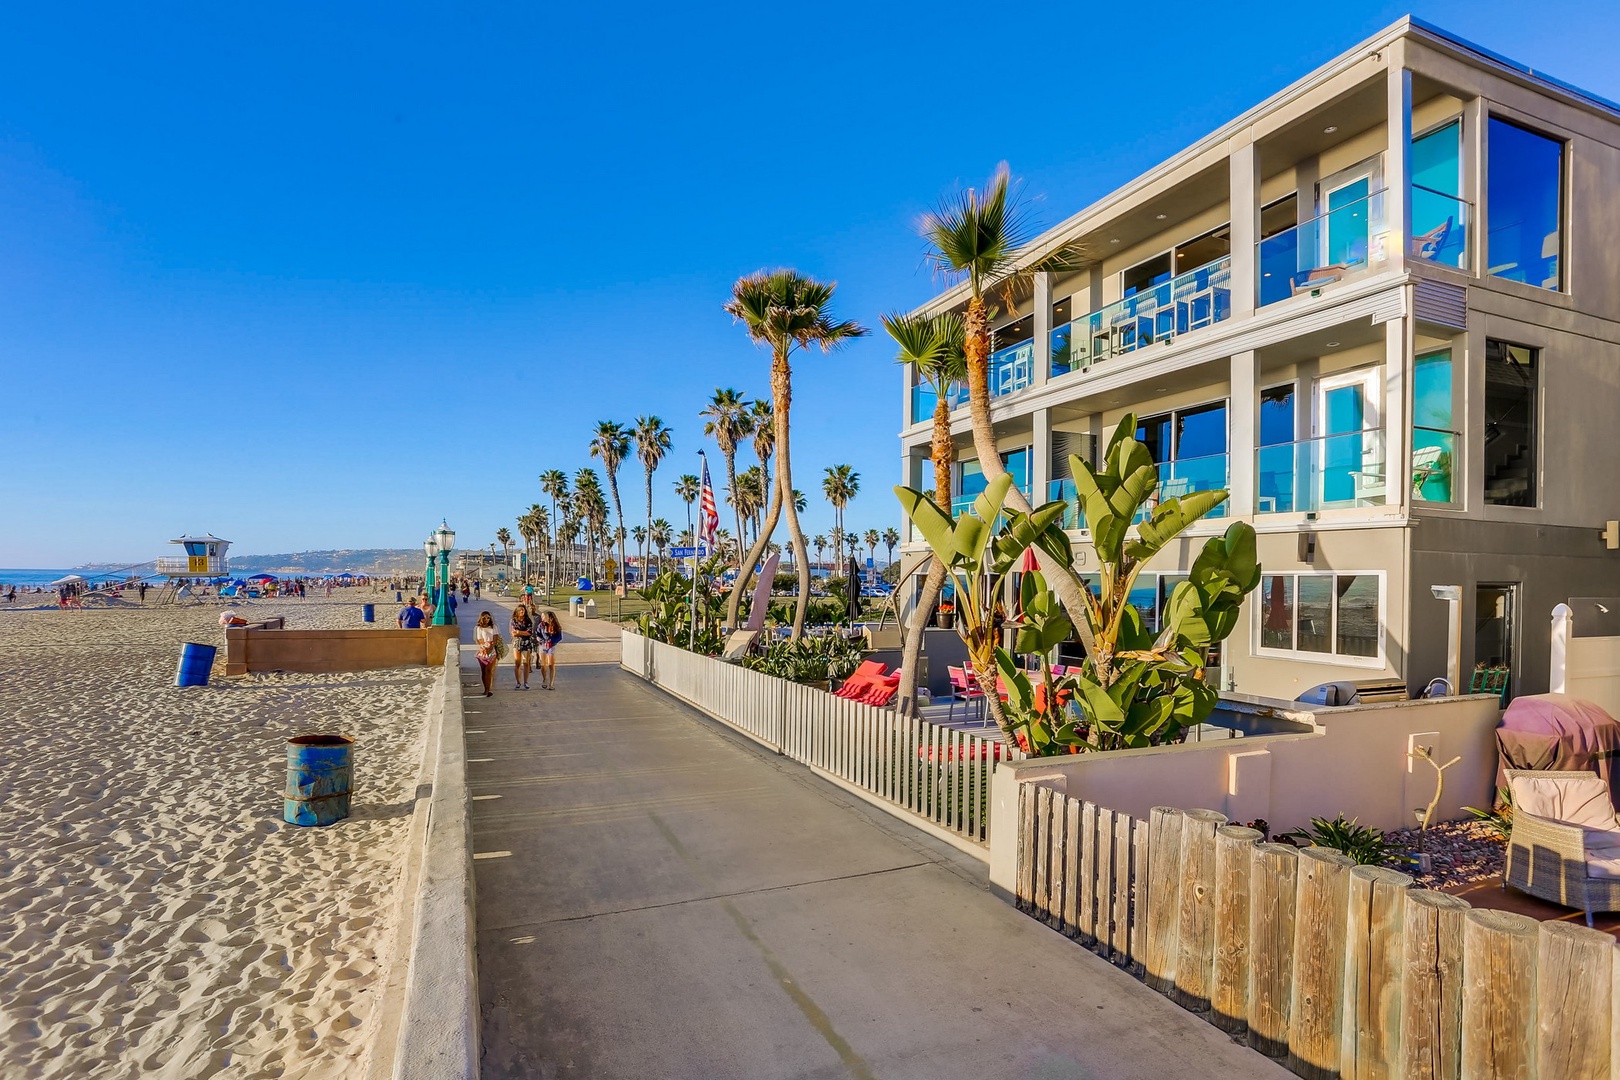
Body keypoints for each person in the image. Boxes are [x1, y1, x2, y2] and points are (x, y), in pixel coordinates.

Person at [510, 602, 536, 690]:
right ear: (517, 611)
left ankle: (526, 682)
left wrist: (519, 632)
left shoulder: (528, 621)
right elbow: (513, 633)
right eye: (520, 610)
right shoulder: (513, 620)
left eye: (523, 610)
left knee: (526, 663)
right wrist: (520, 633)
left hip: (526, 643)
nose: (522, 611)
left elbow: (529, 632)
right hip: (517, 643)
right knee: (517, 662)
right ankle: (518, 682)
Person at [473, 611, 499, 697]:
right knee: (484, 671)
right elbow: (479, 640)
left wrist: (491, 647)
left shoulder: (493, 627)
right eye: (484, 618)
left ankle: (490, 689)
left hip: (492, 650)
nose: (487, 619)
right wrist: (484, 647)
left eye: (488, 617)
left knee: (490, 671)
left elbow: (495, 638)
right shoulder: (479, 628)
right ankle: (485, 688)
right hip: (483, 650)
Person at [537, 609, 562, 690]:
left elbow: (559, 637)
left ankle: (551, 683)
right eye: (541, 616)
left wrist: (552, 642)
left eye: (543, 616)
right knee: (543, 665)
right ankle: (545, 679)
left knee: (551, 664)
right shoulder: (541, 625)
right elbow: (538, 635)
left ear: (548, 617)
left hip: (551, 646)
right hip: (543, 646)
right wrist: (541, 641)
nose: (542, 618)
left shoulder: (555, 625)